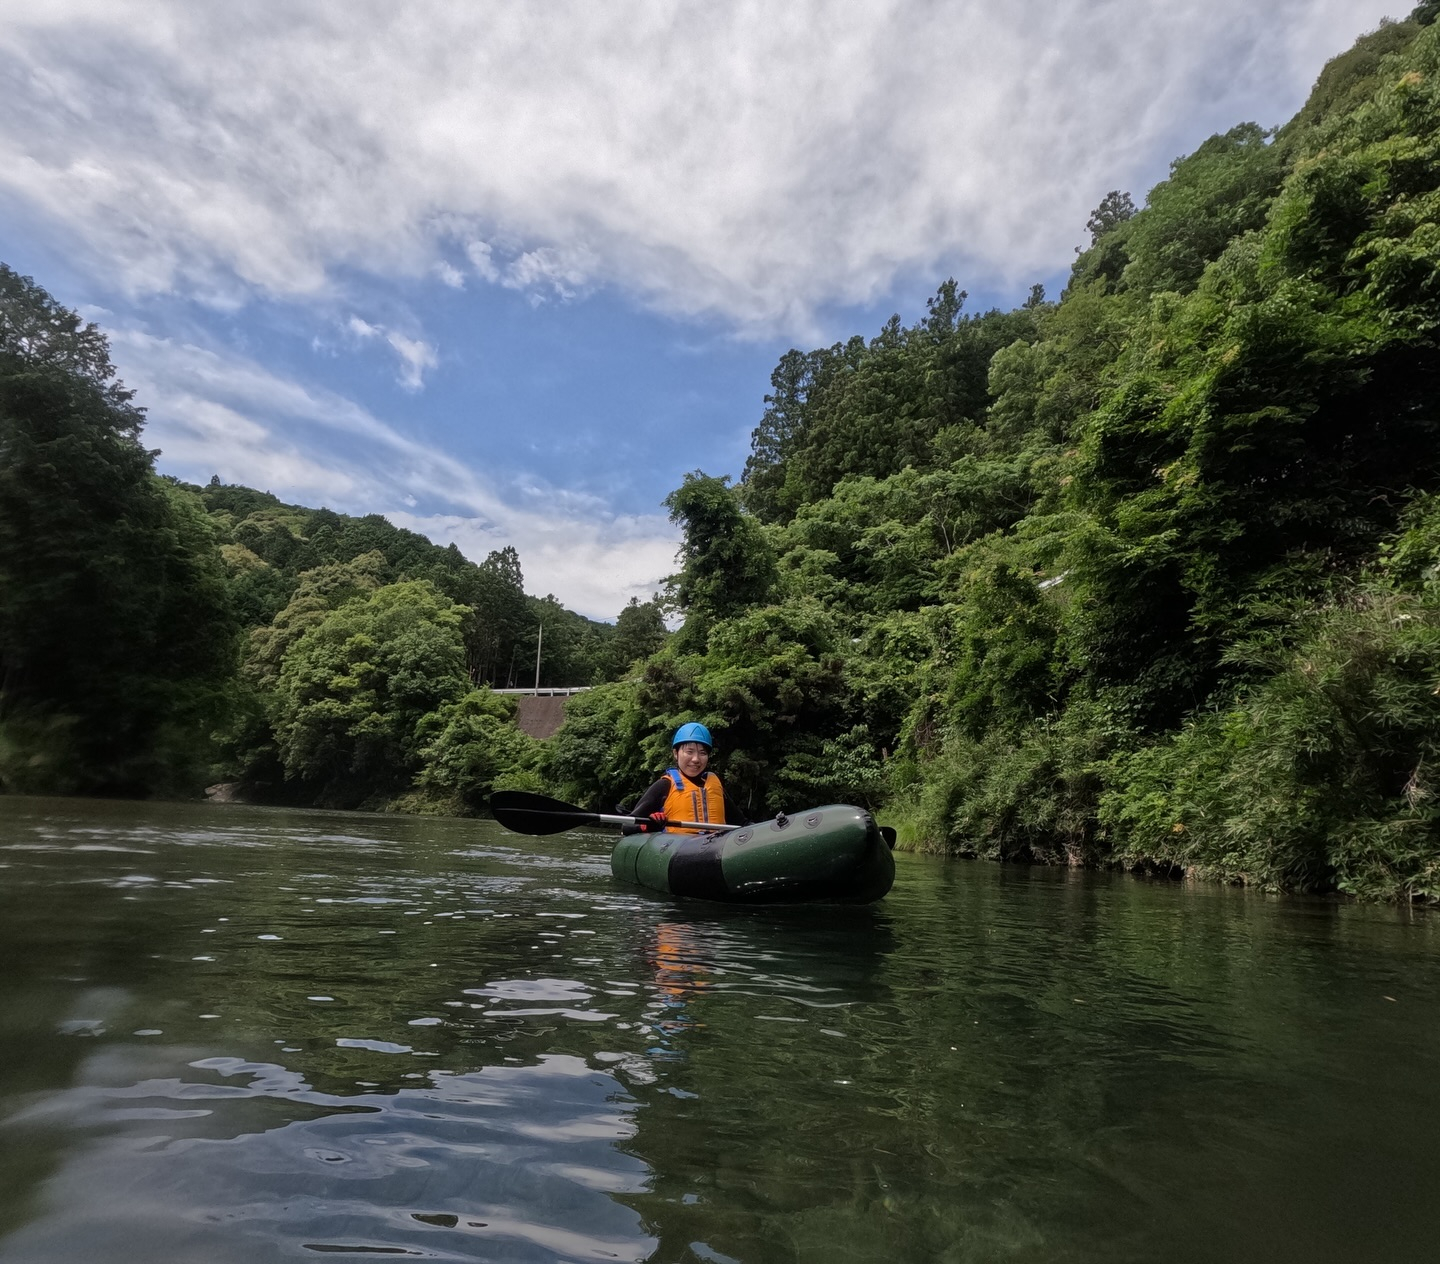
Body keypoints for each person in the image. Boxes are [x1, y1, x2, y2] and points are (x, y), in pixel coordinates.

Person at [625, 722, 732, 834]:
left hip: (714, 846)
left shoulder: (716, 788)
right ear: (676, 753)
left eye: (702, 753)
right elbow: (627, 826)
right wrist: (647, 826)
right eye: (689, 752)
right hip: (677, 847)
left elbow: (743, 823)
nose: (696, 759)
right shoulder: (664, 785)